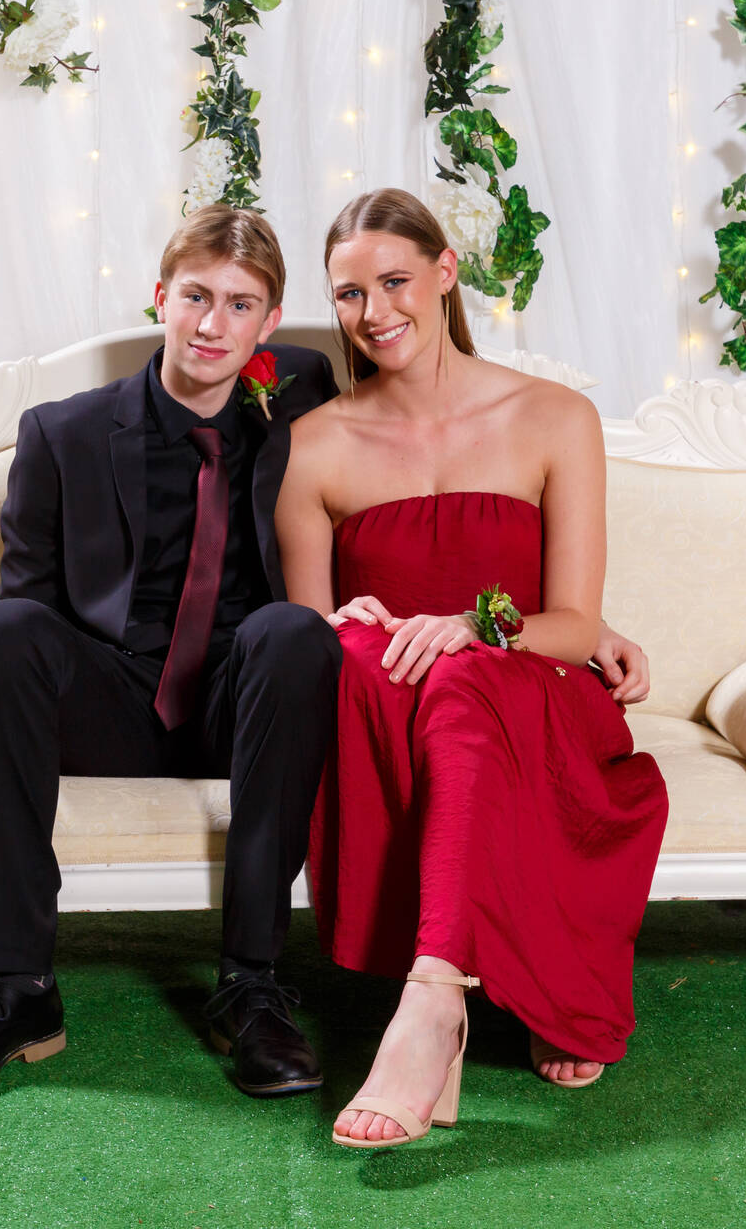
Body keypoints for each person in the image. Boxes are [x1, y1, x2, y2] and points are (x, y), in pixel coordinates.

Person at [0, 205, 343, 1101]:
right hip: (112, 701)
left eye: (240, 305)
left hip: (242, 708)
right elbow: (27, 601)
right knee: (3, 628)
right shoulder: (61, 432)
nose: (212, 325)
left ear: (270, 325)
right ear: (160, 298)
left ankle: (251, 987)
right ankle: (17, 992)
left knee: (294, 632)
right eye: (196, 297)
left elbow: (394, 401)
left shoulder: (300, 402)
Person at [274, 188, 669, 1149]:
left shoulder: (554, 417)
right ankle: (443, 998)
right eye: (350, 294)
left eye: (395, 282)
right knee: (366, 657)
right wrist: (343, 623)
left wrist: (471, 627)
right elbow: (303, 631)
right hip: (389, 696)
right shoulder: (311, 445)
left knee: (462, 679)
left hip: (535, 689)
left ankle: (432, 1005)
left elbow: (573, 625)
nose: (374, 313)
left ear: (446, 272)